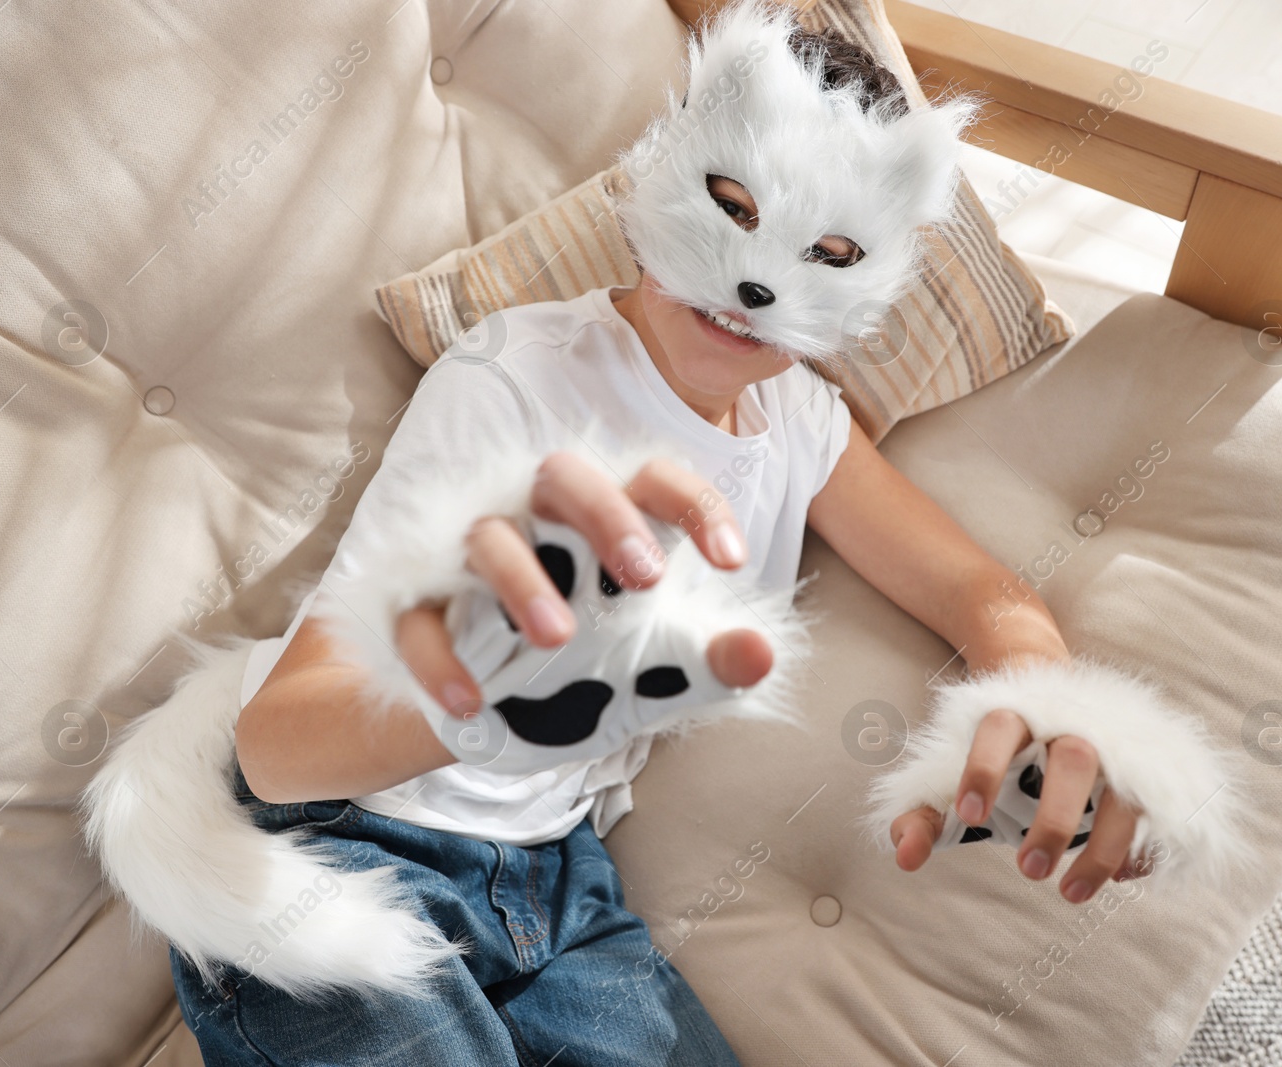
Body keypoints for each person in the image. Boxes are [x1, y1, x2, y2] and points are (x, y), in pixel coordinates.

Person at [107, 4, 1159, 1063]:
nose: (754, 281)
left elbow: (979, 592)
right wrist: (489, 693)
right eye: (729, 205)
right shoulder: (512, 375)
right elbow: (282, 745)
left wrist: (1044, 698)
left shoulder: (798, 419)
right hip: (336, 848)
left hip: (557, 882)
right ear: (663, 171)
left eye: (826, 251)